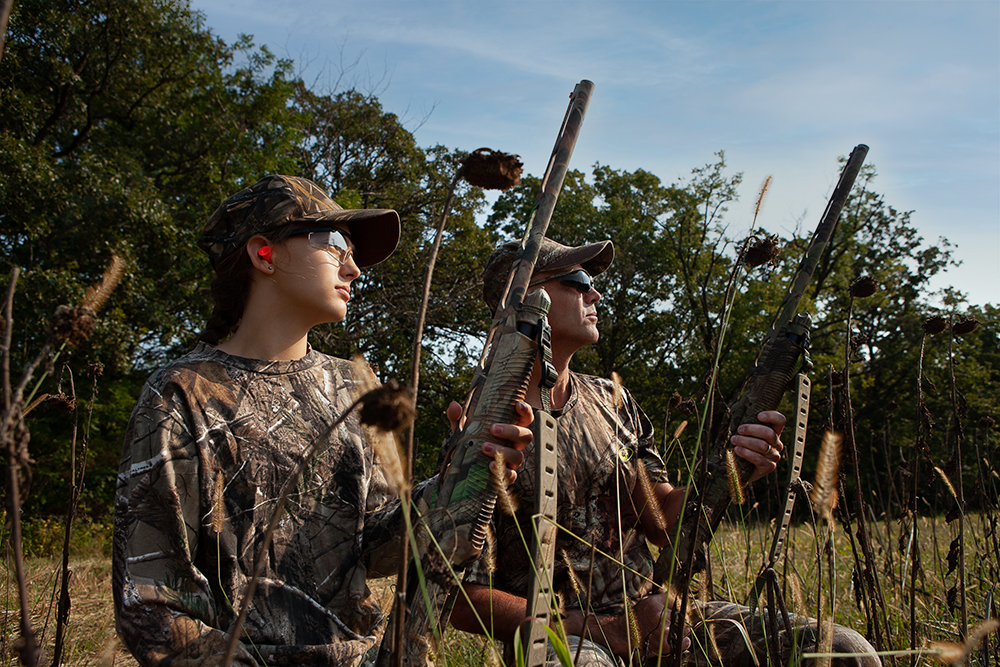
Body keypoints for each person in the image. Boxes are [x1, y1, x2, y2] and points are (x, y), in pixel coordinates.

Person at [112, 175, 532, 667]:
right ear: (263, 253)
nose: (354, 268)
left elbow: (375, 544)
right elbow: (152, 602)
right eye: (335, 244)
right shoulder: (182, 393)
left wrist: (465, 473)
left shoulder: (354, 385)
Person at [450, 238, 881, 667]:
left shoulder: (611, 400)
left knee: (844, 651)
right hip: (568, 638)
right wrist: (611, 630)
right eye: (577, 281)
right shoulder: (483, 425)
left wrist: (734, 468)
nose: (594, 294)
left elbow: (661, 521)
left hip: (662, 619)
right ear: (524, 297)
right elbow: (459, 599)